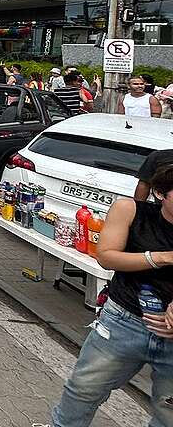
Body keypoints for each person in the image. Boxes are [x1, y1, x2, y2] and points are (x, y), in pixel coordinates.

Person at [52, 165, 173, 425]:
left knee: (169, 412)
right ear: (161, 193)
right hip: (124, 321)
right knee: (84, 390)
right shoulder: (131, 211)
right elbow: (107, 257)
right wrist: (162, 258)